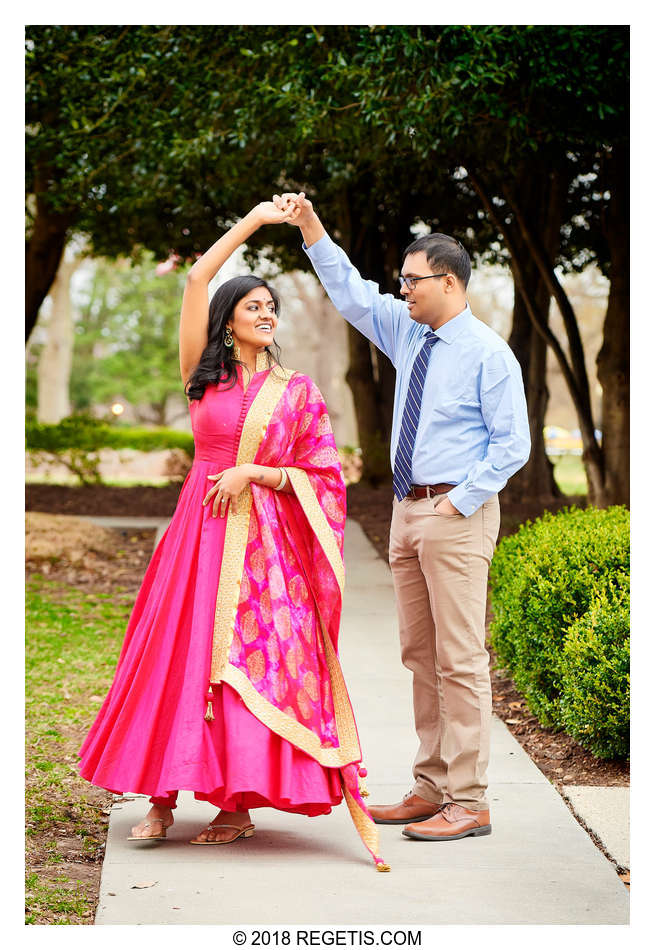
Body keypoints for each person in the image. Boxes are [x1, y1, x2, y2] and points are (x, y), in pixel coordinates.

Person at [78, 201, 389, 872]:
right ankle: (160, 798)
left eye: (269, 306)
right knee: (176, 657)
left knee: (254, 666)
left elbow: (324, 475)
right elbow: (195, 280)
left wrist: (257, 470)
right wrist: (253, 222)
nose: (265, 313)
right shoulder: (202, 375)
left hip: (266, 547)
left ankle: (235, 803)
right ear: (227, 320)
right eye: (251, 305)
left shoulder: (296, 391)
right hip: (200, 535)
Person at [274, 191, 531, 841]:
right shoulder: (407, 330)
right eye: (403, 282)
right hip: (405, 511)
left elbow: (512, 445)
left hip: (455, 513)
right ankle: (431, 785)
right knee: (419, 654)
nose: (403, 290)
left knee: (460, 657)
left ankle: (469, 800)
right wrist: (310, 228)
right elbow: (352, 294)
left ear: (448, 282)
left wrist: (457, 502)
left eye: (413, 281)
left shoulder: (486, 354)